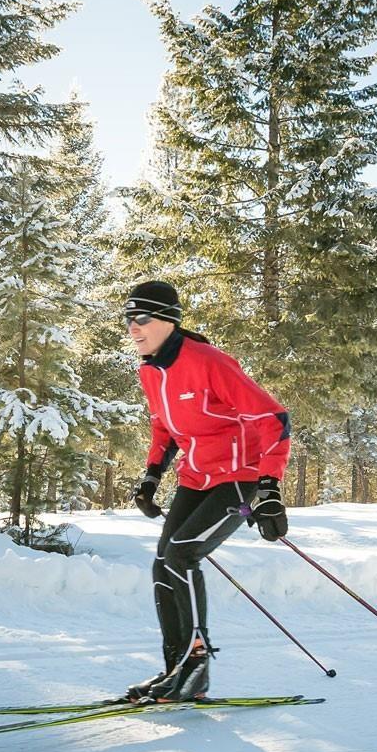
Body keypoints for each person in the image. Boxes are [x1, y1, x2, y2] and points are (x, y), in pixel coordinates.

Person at [121, 280, 291, 702]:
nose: (133, 328)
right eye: (128, 319)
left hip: (240, 476)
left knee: (183, 553)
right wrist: (150, 476)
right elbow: (165, 426)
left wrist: (269, 489)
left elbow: (275, 419)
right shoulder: (151, 369)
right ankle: (175, 669)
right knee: (163, 563)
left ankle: (196, 668)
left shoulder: (209, 362)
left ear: (168, 320)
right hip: (196, 476)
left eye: (142, 318)